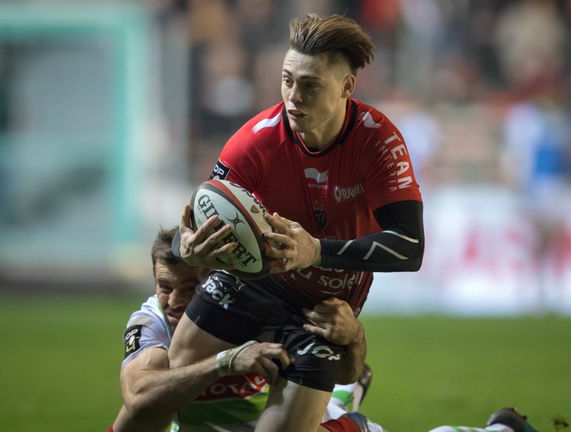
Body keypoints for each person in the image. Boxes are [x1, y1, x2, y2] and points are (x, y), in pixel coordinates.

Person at [169, 13, 424, 431]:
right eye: (287, 80)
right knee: (177, 374)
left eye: (310, 85)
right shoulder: (256, 139)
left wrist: (316, 251)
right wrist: (189, 248)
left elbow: (410, 247)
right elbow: (195, 224)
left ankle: (347, 416)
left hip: (321, 304)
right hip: (255, 277)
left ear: (346, 87)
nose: (293, 97)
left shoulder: (378, 141)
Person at [110, 228, 381, 432]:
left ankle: (348, 416)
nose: (174, 302)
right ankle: (344, 397)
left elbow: (345, 372)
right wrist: (226, 362)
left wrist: (355, 338)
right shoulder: (152, 320)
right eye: (165, 287)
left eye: (190, 289)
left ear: (216, 278)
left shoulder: (252, 302)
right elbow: (138, 399)